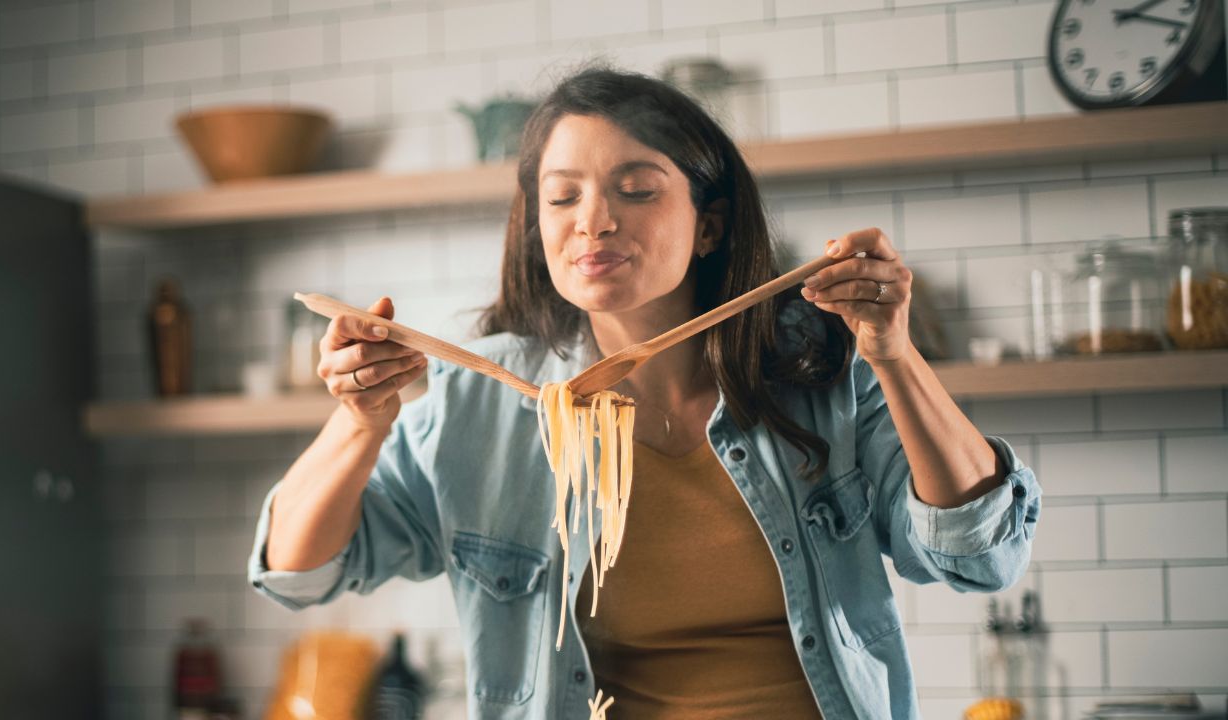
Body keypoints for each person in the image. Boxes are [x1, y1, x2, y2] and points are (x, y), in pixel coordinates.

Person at [248, 66, 1041, 720]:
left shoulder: (822, 372)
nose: (593, 222)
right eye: (562, 197)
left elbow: (979, 556)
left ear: (710, 224)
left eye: (636, 189)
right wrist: (359, 423)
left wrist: (893, 352)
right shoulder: (477, 399)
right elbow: (301, 571)